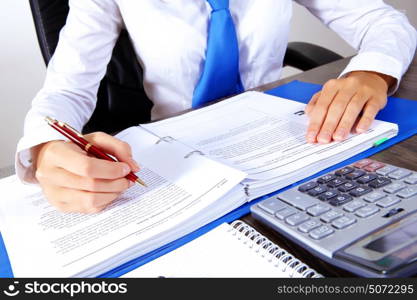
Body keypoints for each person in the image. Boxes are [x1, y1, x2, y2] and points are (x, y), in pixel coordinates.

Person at [17, 0, 416, 213]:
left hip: (285, 139)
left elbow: (382, 21)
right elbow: (64, 91)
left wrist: (370, 73)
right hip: (178, 156)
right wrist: (47, 147)